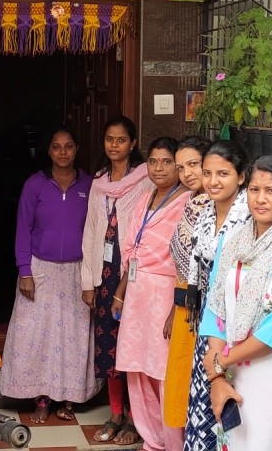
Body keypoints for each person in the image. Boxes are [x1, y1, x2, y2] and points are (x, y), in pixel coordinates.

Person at [200, 156, 272, 451]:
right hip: (232, 369)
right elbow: (215, 306)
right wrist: (218, 378)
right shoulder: (232, 242)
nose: (261, 199)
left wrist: (219, 362)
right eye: (254, 190)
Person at [0, 128, 100, 423]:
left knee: (73, 336)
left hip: (77, 270)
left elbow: (96, 231)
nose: (63, 152)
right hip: (40, 269)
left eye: (68, 146)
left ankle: (68, 399)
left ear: (76, 148)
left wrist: (92, 276)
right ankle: (41, 398)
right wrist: (25, 271)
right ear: (49, 151)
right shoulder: (36, 184)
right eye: (56, 147)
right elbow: (23, 228)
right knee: (36, 335)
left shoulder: (90, 185)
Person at [113, 137, 193, 450]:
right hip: (137, 292)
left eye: (167, 162)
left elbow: (188, 261)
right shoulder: (145, 197)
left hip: (166, 292)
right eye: (153, 161)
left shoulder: (188, 202)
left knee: (163, 370)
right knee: (137, 367)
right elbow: (131, 250)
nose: (159, 168)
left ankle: (173, 442)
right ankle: (152, 439)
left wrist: (177, 307)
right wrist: (120, 292)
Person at [80, 116, 151, 446]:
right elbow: (90, 231)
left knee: (133, 347)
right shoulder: (98, 181)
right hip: (104, 276)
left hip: (133, 276)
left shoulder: (145, 179)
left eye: (121, 139)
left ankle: (137, 419)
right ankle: (116, 413)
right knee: (108, 348)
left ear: (132, 143)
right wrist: (88, 281)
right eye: (109, 139)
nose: (114, 145)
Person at [183, 140, 253, 451]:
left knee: (232, 398)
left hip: (239, 322)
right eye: (208, 173)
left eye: (223, 173)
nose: (213, 181)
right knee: (205, 393)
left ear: (241, 176)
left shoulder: (250, 217)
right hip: (210, 318)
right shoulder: (205, 213)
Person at [163, 135, 213, 438]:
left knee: (203, 381)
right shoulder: (192, 202)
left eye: (193, 164)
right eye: (181, 167)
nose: (187, 174)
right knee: (183, 380)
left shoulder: (217, 206)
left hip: (206, 311)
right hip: (187, 307)